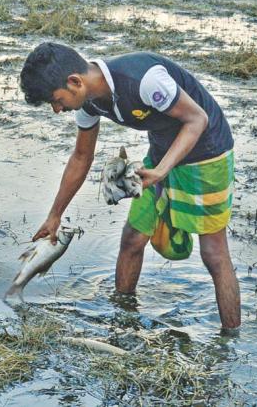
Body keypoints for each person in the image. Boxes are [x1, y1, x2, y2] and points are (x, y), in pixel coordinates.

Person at [19, 42, 240, 331]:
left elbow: (197, 118)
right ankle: (123, 320)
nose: (56, 109)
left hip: (206, 154)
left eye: (56, 100)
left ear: (74, 81)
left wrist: (162, 170)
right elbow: (81, 157)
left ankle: (230, 341)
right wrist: (55, 215)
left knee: (213, 253)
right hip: (161, 156)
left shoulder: (144, 80)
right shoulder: (88, 101)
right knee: (133, 238)